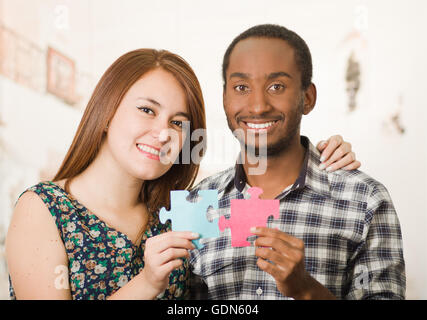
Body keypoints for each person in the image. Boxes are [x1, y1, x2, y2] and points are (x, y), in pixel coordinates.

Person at [5, 48, 360, 300]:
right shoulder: (43, 209)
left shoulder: (180, 212)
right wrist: (147, 283)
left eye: (178, 122)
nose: (163, 133)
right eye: (147, 110)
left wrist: (317, 156)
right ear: (107, 112)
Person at [188, 24, 405, 300]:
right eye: (241, 87)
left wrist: (306, 290)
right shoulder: (197, 204)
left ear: (308, 98)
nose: (257, 106)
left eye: (276, 86)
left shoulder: (366, 201)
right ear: (224, 98)